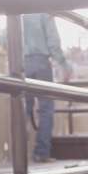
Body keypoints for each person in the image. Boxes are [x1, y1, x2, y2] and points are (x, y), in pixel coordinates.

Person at [21, 13, 72, 163]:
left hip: (21, 62)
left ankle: (19, 153)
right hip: (41, 62)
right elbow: (53, 42)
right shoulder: (43, 13)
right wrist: (63, 65)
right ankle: (41, 152)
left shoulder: (17, 12)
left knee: (22, 108)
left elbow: (5, 41)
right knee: (46, 108)